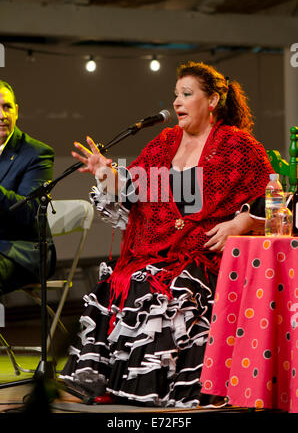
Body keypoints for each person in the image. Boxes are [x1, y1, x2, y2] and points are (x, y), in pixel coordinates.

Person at [60, 61, 273, 408]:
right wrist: (104, 172)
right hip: (159, 248)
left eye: (187, 95)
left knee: (156, 282)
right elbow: (135, 189)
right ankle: (107, 381)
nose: (177, 103)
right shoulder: (166, 141)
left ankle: (160, 385)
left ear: (213, 100)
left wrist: (241, 222)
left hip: (206, 253)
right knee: (121, 278)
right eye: (176, 95)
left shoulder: (237, 145)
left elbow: (271, 200)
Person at [0, 80, 56, 298]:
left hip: (23, 250)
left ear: (17, 111)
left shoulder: (37, 154)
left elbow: (28, 211)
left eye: (7, 107)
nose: (2, 115)